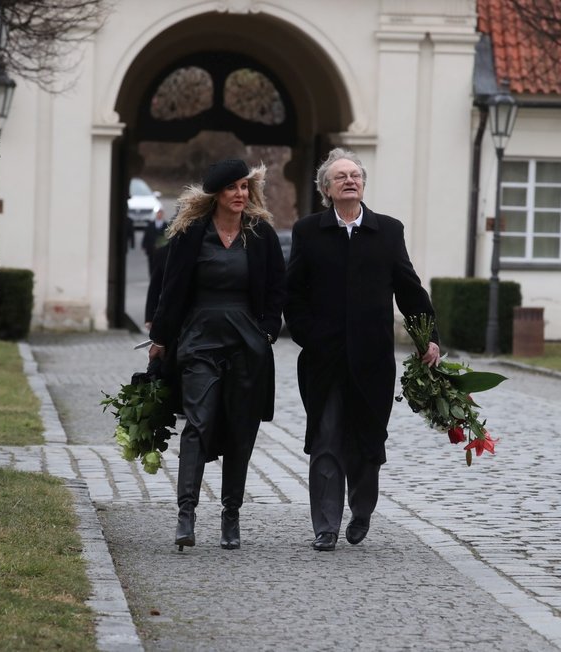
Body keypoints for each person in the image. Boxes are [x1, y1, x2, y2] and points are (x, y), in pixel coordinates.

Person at [284, 147, 440, 552]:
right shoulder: (308, 232)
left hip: (372, 359)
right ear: (326, 189)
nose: (350, 180)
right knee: (327, 436)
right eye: (341, 176)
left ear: (363, 184)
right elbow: (293, 293)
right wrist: (308, 335)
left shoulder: (387, 231)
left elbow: (409, 289)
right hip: (324, 358)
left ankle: (362, 508)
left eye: (355, 175)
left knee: (368, 438)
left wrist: (430, 337)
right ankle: (325, 525)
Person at [148, 159, 286, 551]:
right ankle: (186, 514)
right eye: (232, 188)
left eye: (245, 187)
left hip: (247, 342)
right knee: (198, 422)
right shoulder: (191, 233)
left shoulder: (260, 235)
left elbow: (278, 287)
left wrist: (269, 331)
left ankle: (231, 516)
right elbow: (171, 289)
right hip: (199, 339)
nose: (240, 194)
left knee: (242, 431)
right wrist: (160, 337)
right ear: (216, 194)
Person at [142, 212, 168, 276]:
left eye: (161, 213)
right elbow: (146, 235)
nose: (159, 215)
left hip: (162, 250)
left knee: (162, 264)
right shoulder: (151, 224)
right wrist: (144, 245)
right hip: (151, 249)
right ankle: (151, 276)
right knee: (151, 264)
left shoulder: (166, 225)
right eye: (158, 213)